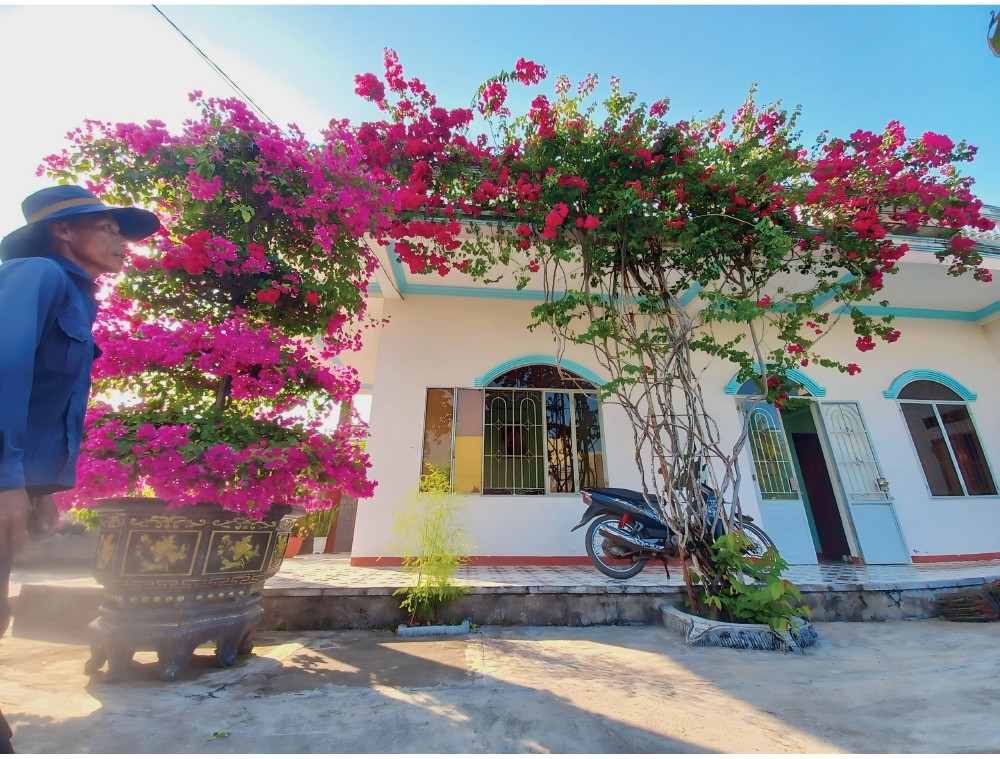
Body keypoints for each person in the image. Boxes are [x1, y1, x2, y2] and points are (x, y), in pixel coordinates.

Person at [0, 185, 159, 752]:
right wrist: (6, 478)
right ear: (63, 230)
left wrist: (41, 488)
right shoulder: (33, 277)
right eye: (109, 228)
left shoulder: (76, 297)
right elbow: (4, 373)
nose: (123, 243)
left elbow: (47, 403)